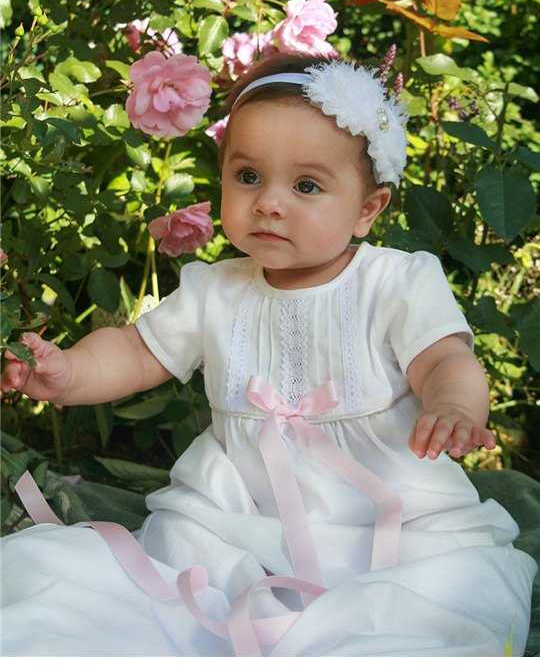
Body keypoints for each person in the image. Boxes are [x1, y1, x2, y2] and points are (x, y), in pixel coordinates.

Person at [0, 53, 537, 657]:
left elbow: (444, 359)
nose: (268, 203)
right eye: (248, 176)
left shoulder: (395, 280)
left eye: (306, 186)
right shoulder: (217, 287)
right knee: (179, 566)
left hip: (387, 509)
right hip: (237, 512)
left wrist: (454, 405)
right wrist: (70, 372)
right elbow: (135, 349)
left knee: (434, 589)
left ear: (367, 209)